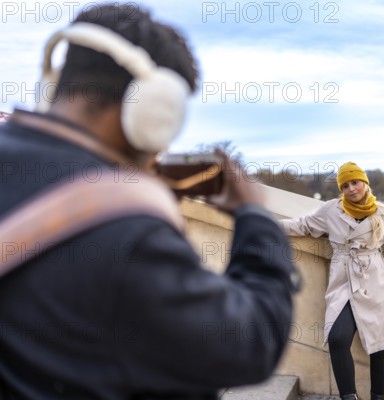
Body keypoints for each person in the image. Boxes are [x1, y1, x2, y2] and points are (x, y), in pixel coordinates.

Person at [0, 3, 299, 399]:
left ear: (55, 84)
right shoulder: (129, 235)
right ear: (153, 109)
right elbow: (251, 341)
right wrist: (255, 218)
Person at [280, 162, 384, 400]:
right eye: (345, 185)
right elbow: (304, 225)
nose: (351, 189)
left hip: (376, 281)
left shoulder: (382, 211)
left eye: (355, 182)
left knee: (381, 343)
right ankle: (349, 397)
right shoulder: (331, 210)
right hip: (344, 281)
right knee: (337, 338)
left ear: (365, 183)